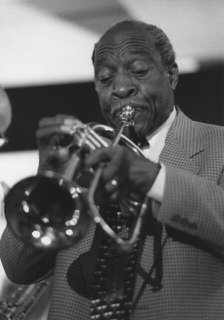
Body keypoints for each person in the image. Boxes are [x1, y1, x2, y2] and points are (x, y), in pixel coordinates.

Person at [0, 19, 224, 320]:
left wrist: (153, 178)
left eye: (139, 71)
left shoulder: (218, 145)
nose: (120, 88)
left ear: (170, 75)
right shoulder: (79, 164)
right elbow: (18, 268)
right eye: (106, 79)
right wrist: (48, 176)